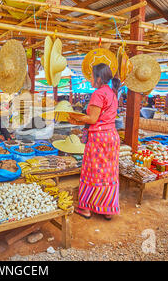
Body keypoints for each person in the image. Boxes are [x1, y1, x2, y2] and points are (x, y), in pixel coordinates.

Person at [68, 63, 121, 221]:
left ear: (98, 78)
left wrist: (75, 118)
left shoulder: (98, 93)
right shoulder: (112, 92)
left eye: (91, 76)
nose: (90, 79)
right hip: (111, 136)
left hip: (99, 139)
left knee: (92, 171)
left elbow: (92, 119)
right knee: (108, 173)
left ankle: (85, 209)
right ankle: (107, 209)